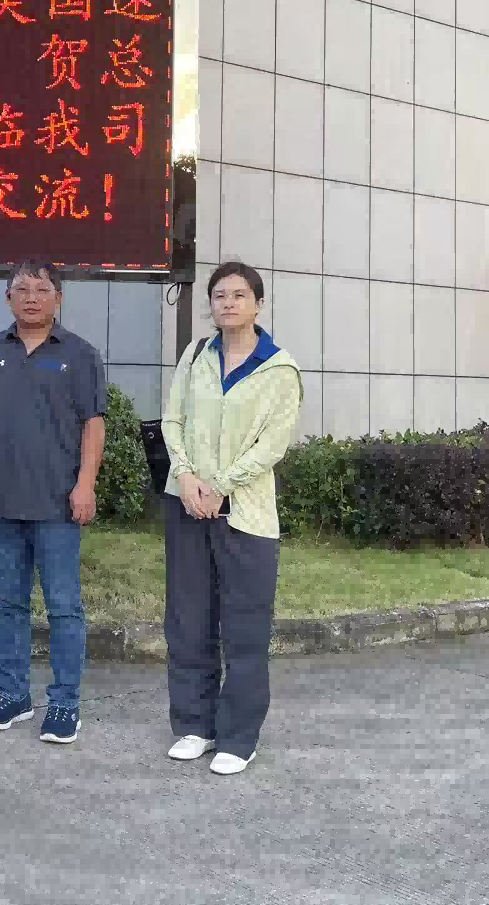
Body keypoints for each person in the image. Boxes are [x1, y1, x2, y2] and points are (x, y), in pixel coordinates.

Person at [160, 261, 303, 776]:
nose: (228, 303)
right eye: (219, 295)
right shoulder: (196, 354)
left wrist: (221, 484)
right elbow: (173, 419)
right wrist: (187, 476)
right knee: (188, 620)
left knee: (244, 627)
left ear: (258, 305)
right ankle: (194, 726)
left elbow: (272, 444)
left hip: (245, 514)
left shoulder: (279, 369)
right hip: (187, 504)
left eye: (239, 295)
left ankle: (239, 737)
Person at [0, 259, 106, 745]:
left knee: (64, 607)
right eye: (22, 289)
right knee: (8, 604)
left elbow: (93, 423)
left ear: (58, 298)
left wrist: (86, 483)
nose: (32, 297)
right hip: (1, 502)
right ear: (8, 298)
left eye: (42, 289)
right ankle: (13, 695)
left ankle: (65, 701)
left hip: (58, 504)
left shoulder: (80, 354)